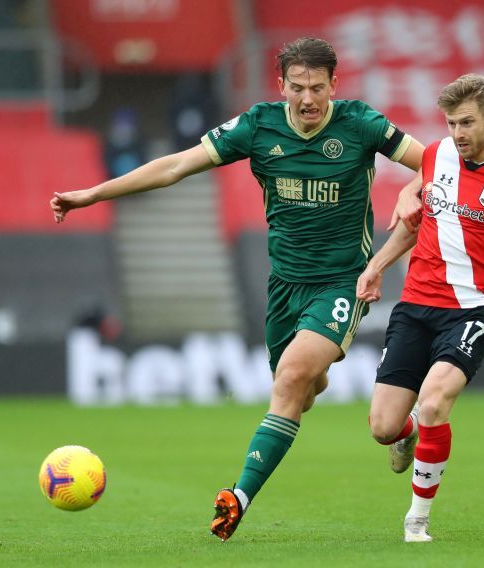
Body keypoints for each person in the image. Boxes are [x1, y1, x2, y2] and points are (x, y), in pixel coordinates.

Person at [50, 37, 424, 541]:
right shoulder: (258, 125)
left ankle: (237, 498)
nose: (308, 99)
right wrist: (94, 193)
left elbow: (435, 164)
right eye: (298, 88)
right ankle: (399, 426)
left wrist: (408, 187)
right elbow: (175, 166)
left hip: (343, 282)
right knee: (301, 390)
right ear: (281, 86)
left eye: (318, 87)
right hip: (283, 288)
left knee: (291, 379)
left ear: (335, 84)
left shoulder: (361, 123)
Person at [356, 74, 484, 542]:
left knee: (434, 403)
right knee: (382, 427)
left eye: (467, 122)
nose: (458, 133)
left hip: (474, 310)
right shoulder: (436, 156)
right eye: (451, 123)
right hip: (414, 305)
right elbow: (415, 225)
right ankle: (406, 432)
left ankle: (417, 519)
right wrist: (376, 265)